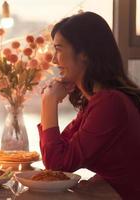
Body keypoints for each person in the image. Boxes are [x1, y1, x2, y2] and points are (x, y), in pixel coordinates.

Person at [39, 11, 140, 199]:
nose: (53, 60)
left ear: (84, 54)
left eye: (59, 49)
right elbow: (59, 152)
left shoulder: (109, 103)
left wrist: (48, 102)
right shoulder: (96, 101)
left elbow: (57, 164)